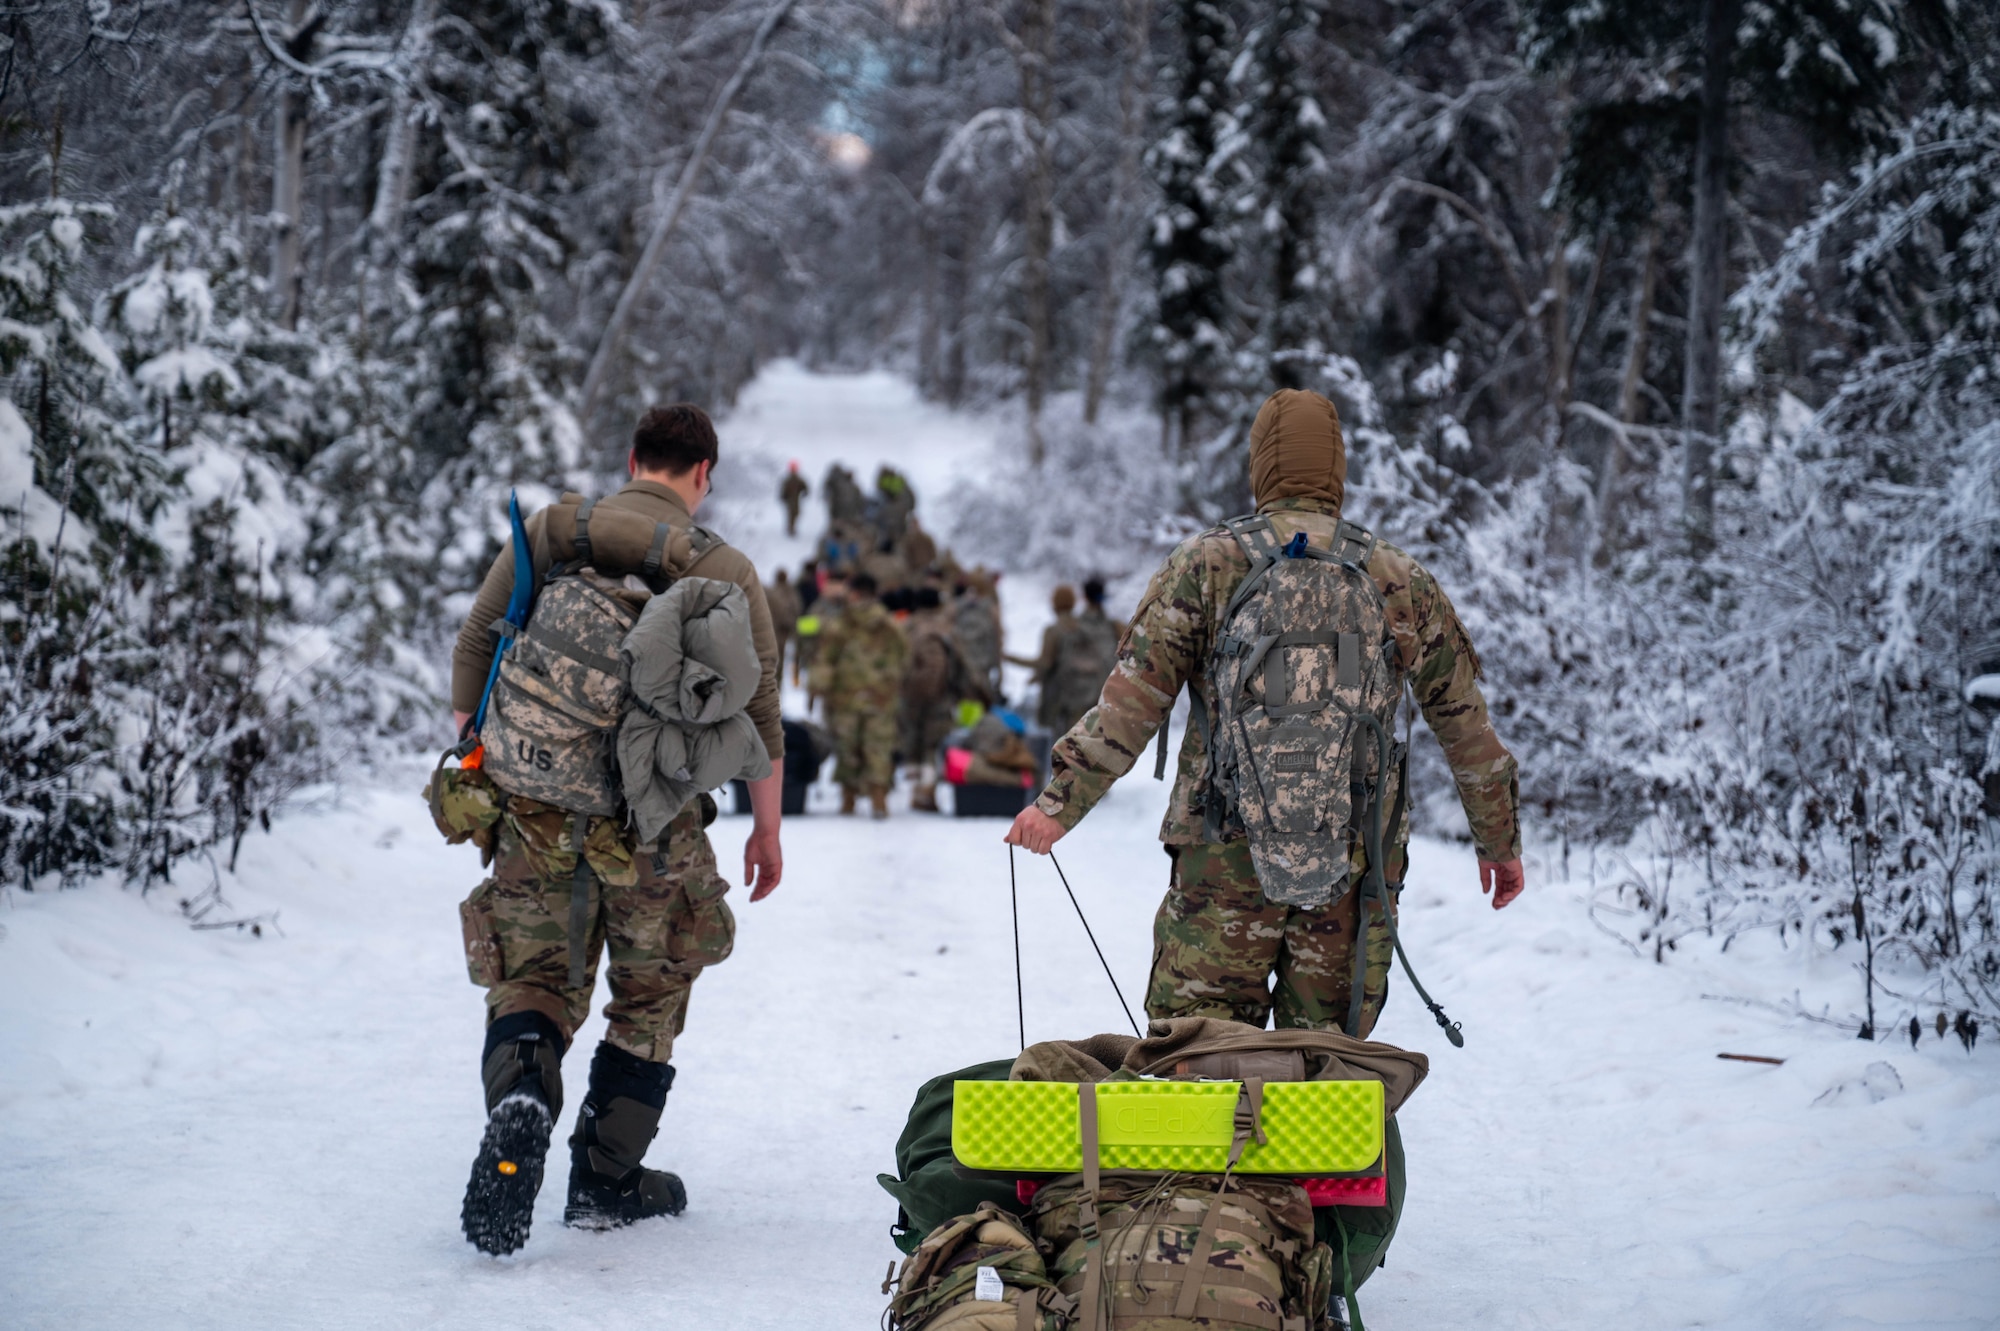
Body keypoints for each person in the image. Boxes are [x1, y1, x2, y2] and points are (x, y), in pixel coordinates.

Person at [1005, 388, 1522, 1036]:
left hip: (1223, 853)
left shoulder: (1206, 565)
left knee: (1199, 1053)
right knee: (1327, 1063)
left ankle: (1217, 1136)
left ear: (1260, 466)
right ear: (1337, 468)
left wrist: (1058, 804)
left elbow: (1133, 701)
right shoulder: (1397, 577)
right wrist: (1498, 841)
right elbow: (1463, 721)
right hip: (1352, 857)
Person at [449, 404, 785, 1254]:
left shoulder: (555, 528)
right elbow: (761, 715)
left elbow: (477, 643)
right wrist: (765, 831)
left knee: (533, 977)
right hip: (657, 819)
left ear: (632, 458)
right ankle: (605, 1178)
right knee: (652, 988)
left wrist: (493, 757)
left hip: (535, 807)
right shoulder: (726, 569)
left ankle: (523, 1093)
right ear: (705, 473)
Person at [812, 570, 909, 818]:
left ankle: (849, 798)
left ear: (853, 593)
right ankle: (879, 799)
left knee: (847, 747)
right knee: (878, 747)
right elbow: (903, 656)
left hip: (846, 697)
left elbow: (826, 658)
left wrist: (819, 688)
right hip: (881, 698)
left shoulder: (841, 623)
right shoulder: (889, 624)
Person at [901, 586, 986, 811]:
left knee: (914, 742)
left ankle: (914, 789)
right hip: (943, 696)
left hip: (910, 695)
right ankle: (926, 792)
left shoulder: (907, 627)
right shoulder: (948, 630)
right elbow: (964, 663)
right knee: (934, 746)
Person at [766, 568, 802, 682]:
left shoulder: (773, 591)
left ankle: (777, 683)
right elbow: (796, 609)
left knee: (774, 660)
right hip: (781, 630)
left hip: (776, 630)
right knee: (778, 660)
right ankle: (778, 684)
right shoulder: (789, 592)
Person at [779, 460, 809, 536]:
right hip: (789, 500)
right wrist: (783, 497)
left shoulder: (798, 479)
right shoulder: (788, 479)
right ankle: (791, 529)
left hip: (796, 499)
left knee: (796, 513)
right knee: (791, 514)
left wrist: (805, 492)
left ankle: (792, 528)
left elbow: (805, 487)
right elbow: (783, 490)